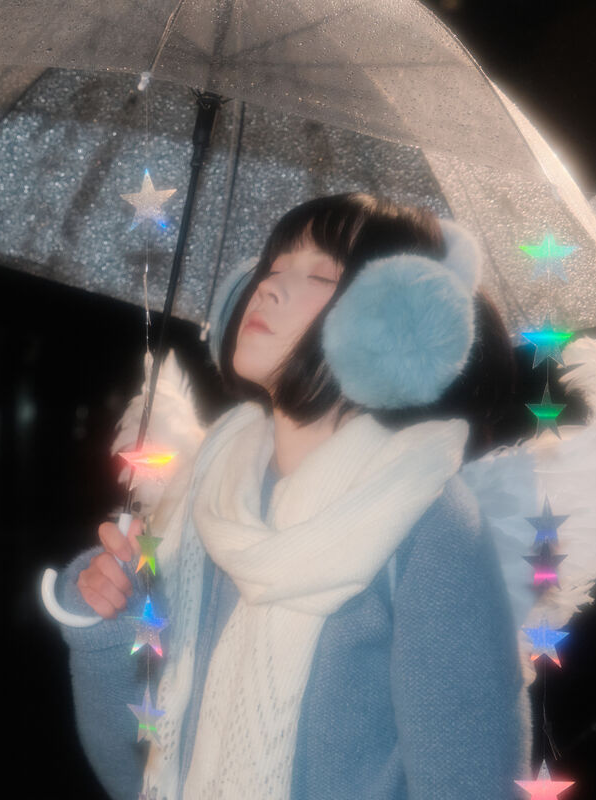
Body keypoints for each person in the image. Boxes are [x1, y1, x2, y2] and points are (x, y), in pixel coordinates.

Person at [56, 193, 531, 799]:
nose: (268, 287)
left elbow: (473, 783)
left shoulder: (428, 520)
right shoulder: (210, 493)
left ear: (395, 319)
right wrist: (106, 616)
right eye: (273, 266)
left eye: (319, 276)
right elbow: (133, 773)